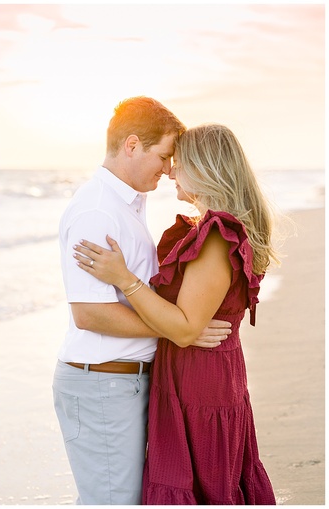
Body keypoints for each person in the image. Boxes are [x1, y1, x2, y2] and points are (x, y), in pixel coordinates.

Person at [73, 123, 278, 504]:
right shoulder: (207, 230)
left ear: (205, 168)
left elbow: (184, 329)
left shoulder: (217, 237)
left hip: (200, 383)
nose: (169, 171)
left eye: (178, 162)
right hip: (199, 376)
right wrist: (179, 328)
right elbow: (185, 323)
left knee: (203, 488)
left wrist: (123, 277)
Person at [54, 97, 231, 505]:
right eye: (165, 155)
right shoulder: (97, 211)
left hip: (124, 381)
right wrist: (182, 329)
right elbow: (89, 313)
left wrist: (180, 326)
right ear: (132, 145)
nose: (170, 169)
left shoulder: (128, 203)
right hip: (102, 382)